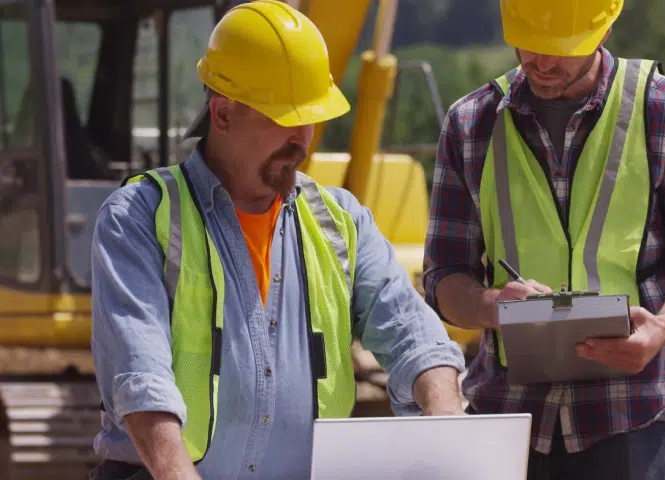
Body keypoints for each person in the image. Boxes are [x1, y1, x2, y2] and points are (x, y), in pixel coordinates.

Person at [88, 2, 466, 479]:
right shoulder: (139, 217)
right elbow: (140, 379)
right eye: (286, 118)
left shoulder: (341, 219)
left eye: (311, 118)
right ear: (222, 114)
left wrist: (445, 412)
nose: (303, 138)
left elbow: (415, 335)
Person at [423, 1, 665, 479]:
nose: (542, 63)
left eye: (561, 49)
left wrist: (662, 328)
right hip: (509, 417)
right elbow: (444, 274)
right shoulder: (471, 122)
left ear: (604, 27)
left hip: (631, 415)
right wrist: (492, 306)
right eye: (530, 44)